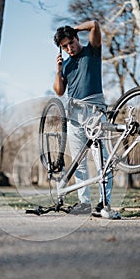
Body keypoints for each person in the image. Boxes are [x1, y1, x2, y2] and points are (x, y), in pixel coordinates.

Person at [53, 21, 114, 217]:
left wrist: (73, 30)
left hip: (95, 111)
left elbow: (95, 25)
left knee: (102, 159)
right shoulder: (67, 63)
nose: (69, 48)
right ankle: (84, 202)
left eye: (71, 42)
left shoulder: (92, 51)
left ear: (76, 39)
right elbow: (59, 91)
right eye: (65, 46)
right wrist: (58, 70)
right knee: (78, 161)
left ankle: (105, 203)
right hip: (74, 113)